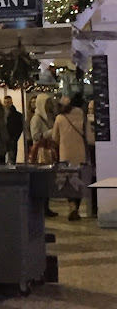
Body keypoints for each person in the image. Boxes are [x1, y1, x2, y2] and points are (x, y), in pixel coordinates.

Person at [52, 92, 94, 221]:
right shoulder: (83, 117)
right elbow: (89, 138)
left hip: (65, 155)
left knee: (68, 182)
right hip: (80, 155)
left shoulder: (59, 118)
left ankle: (71, 206)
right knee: (78, 182)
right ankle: (77, 207)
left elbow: (55, 137)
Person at [31, 93, 58, 217]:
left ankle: (46, 206)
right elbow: (35, 136)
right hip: (41, 152)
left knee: (47, 181)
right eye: (47, 103)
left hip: (49, 150)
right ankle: (43, 207)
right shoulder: (36, 119)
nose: (49, 105)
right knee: (42, 180)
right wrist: (49, 133)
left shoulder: (49, 117)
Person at [3, 95, 23, 163]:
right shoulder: (1, 114)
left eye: (8, 102)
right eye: (5, 102)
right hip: (3, 140)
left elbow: (19, 128)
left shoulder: (18, 115)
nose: (6, 104)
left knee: (11, 160)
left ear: (11, 102)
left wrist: (14, 139)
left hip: (12, 140)